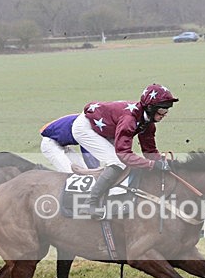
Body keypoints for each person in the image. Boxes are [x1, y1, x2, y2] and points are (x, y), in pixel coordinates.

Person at [71, 83, 178, 219]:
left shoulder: (148, 122)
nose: (165, 114)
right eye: (163, 110)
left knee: (123, 162)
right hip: (86, 128)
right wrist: (152, 165)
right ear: (150, 107)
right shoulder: (129, 119)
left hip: (107, 128)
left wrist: (164, 163)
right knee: (117, 162)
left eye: (167, 110)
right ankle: (89, 203)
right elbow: (124, 155)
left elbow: (149, 151)